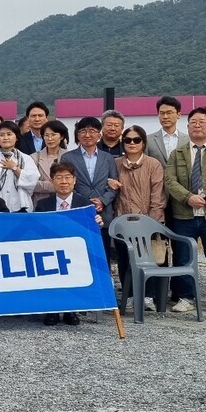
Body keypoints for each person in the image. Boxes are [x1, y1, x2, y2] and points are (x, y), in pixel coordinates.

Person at [164, 107, 206, 316]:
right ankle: (186, 297)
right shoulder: (177, 154)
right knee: (184, 257)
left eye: (202, 121)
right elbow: (170, 180)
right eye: (193, 122)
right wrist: (188, 197)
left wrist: (205, 196)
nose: (197, 125)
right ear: (188, 126)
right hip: (184, 215)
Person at [34, 162, 98, 326]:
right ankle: (52, 310)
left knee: (74, 270)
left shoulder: (85, 205)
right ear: (52, 181)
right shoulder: (43, 205)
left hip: (75, 253)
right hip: (50, 250)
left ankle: (71, 310)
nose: (64, 182)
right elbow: (35, 230)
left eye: (67, 177)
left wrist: (97, 221)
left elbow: (90, 232)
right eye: (59, 178)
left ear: (74, 180)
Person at [112, 125, 166, 312]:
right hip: (121, 222)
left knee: (148, 261)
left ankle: (148, 296)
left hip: (147, 223)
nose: (132, 143)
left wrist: (151, 224)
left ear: (143, 142)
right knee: (125, 261)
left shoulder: (154, 164)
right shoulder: (116, 163)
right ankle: (129, 296)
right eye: (128, 140)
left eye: (136, 140)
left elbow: (158, 196)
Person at [60, 117, 119, 248]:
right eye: (83, 131)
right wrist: (84, 202)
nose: (87, 135)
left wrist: (102, 201)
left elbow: (114, 185)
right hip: (78, 209)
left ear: (99, 135)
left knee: (104, 253)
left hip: (103, 212)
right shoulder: (67, 157)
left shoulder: (108, 158)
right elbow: (66, 184)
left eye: (92, 131)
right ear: (78, 135)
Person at [0, 121, 39, 213]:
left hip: (21, 207)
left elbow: (33, 180)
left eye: (9, 134)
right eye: (1, 135)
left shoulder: (26, 158)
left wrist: (15, 168)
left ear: (16, 137)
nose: (5, 138)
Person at [31, 120, 70, 206]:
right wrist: (54, 186)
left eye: (53, 135)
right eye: (46, 135)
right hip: (40, 203)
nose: (50, 139)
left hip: (64, 203)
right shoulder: (34, 157)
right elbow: (31, 183)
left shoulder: (69, 156)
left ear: (61, 136)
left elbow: (74, 181)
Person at [146, 96, 188, 166]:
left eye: (169, 113)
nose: (165, 117)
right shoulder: (148, 140)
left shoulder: (187, 140)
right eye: (162, 113)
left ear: (179, 115)